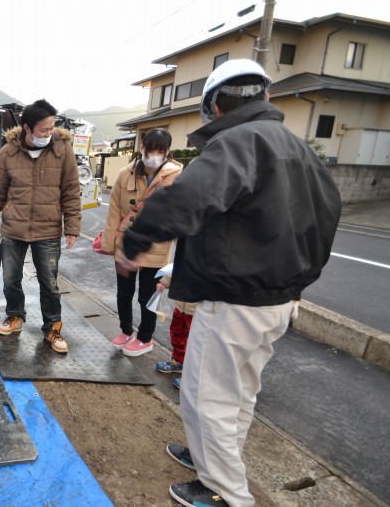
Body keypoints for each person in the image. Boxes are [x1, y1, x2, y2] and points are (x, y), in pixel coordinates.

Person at [118, 59, 341, 507]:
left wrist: (137, 237)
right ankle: (212, 462)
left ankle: (225, 491)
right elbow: (329, 215)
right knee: (239, 393)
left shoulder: (238, 142)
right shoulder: (297, 149)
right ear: (266, 98)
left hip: (234, 298)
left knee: (207, 397)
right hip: (277, 299)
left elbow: (187, 198)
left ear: (215, 109)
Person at [0, 99, 81, 353]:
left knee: (49, 283)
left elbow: (71, 190)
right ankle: (14, 317)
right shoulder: (8, 152)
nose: (50, 134)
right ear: (27, 128)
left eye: (52, 128)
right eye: (44, 130)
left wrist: (71, 227)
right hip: (14, 228)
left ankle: (52, 328)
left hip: (47, 229)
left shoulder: (63, 150)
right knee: (10, 279)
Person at [100, 128, 182, 356]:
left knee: (148, 295)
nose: (154, 155)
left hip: (156, 247)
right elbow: (114, 211)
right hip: (125, 246)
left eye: (160, 151)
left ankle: (146, 338)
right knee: (123, 293)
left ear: (167, 152)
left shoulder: (176, 176)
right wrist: (109, 244)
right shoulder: (125, 174)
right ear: (141, 148)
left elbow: (174, 217)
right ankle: (126, 331)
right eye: (150, 149)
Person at [153, 273, 196, 389]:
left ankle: (193, 376)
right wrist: (165, 282)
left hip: (198, 309)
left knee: (196, 343)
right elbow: (179, 267)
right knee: (177, 333)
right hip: (182, 303)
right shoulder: (190, 254)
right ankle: (178, 361)